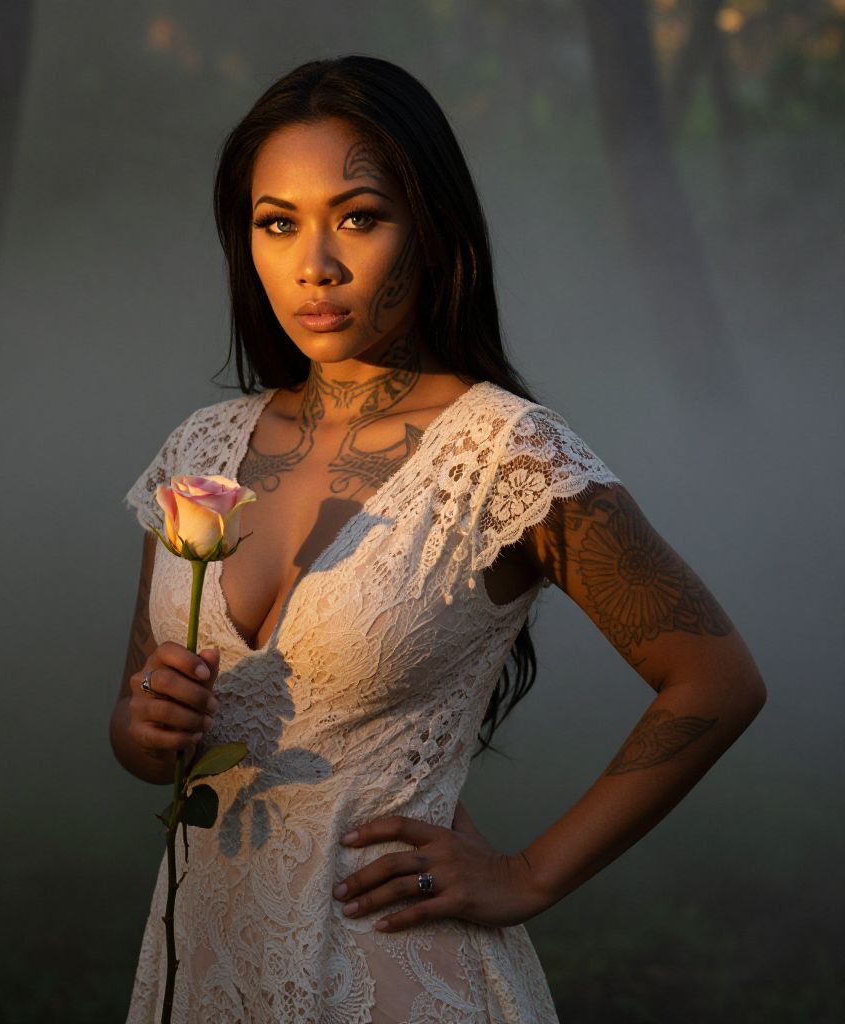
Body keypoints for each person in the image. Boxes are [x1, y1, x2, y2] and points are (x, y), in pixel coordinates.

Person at [111, 55, 767, 1024]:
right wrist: (141, 726)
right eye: (276, 222)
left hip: (395, 981)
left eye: (359, 217)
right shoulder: (200, 452)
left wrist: (530, 873)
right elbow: (136, 720)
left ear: (430, 229)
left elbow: (716, 678)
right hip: (200, 970)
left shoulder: (504, 451)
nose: (315, 263)